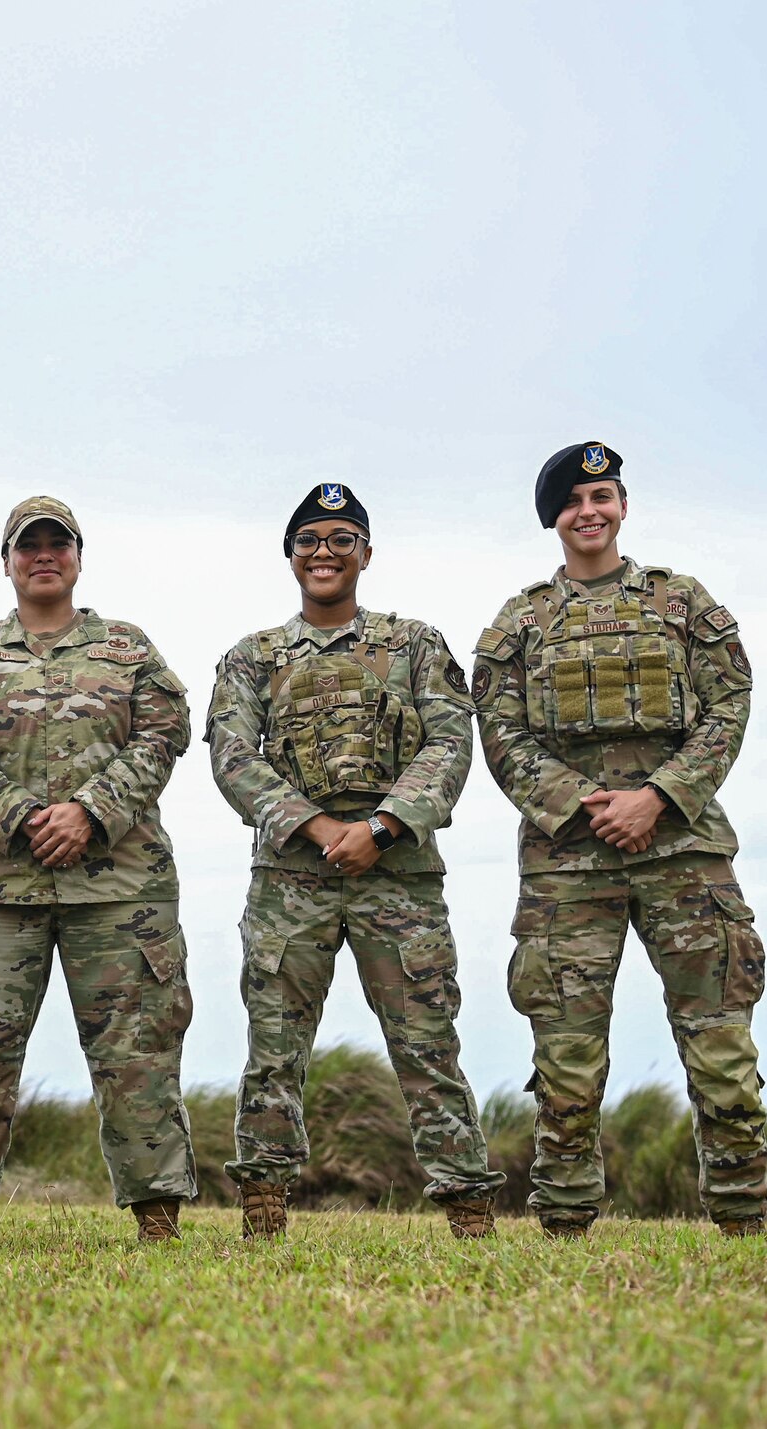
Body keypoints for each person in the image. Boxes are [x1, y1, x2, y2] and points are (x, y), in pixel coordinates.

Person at [472, 442, 767, 1238]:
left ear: (623, 505)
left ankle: (741, 1217)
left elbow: (730, 703)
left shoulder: (682, 603)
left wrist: (658, 798)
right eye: (572, 501)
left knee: (722, 1049)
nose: (589, 511)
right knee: (566, 1058)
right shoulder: (520, 621)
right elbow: (497, 730)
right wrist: (581, 803)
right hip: (568, 862)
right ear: (555, 520)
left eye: (601, 494)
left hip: (686, 853)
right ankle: (565, 1221)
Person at [205, 483, 503, 1241]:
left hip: (396, 874)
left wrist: (381, 825)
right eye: (308, 540)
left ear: (366, 553)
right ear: (290, 556)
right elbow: (234, 756)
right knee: (273, 1045)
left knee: (428, 1043)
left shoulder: (414, 645)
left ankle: (467, 1202)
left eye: (341, 539)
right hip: (290, 880)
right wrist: (313, 825)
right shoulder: (252, 657)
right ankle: (265, 1203)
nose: (324, 553)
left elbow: (449, 742)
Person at [0, 497, 196, 1243]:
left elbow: (165, 735)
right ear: (6, 561)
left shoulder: (129, 649)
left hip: (120, 887)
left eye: (57, 544)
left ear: (78, 556)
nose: (44, 555)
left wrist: (92, 812)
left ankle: (157, 1213)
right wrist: (21, 817)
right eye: (27, 545)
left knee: (137, 1049)